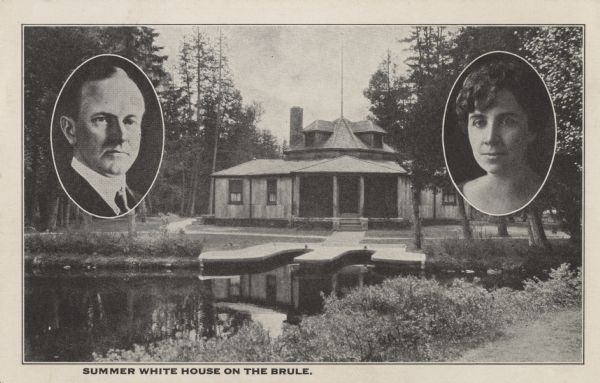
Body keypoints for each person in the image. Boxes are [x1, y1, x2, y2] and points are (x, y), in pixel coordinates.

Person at [454, 55, 554, 215]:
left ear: (532, 129)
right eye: (479, 122)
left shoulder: (551, 194)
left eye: (507, 121)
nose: (490, 139)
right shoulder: (461, 191)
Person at [56, 57, 146, 217]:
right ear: (70, 130)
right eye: (102, 120)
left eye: (130, 121)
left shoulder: (134, 199)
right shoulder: (69, 193)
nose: (121, 136)